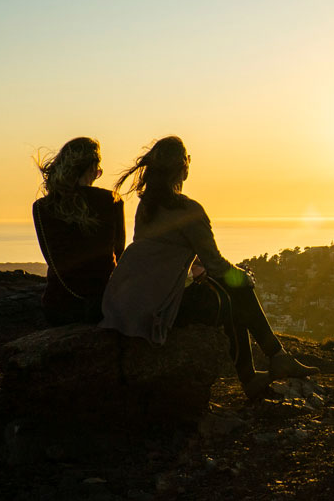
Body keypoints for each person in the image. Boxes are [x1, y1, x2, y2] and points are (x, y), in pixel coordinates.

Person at [100, 136, 318, 400]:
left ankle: (265, 365)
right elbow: (215, 263)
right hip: (157, 308)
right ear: (182, 167)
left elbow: (163, 254)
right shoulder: (188, 210)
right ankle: (269, 361)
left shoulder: (147, 207)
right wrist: (243, 277)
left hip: (128, 300)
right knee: (233, 294)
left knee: (227, 291)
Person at [32, 137, 125, 326]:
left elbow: (51, 258)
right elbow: (119, 252)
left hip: (58, 305)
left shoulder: (42, 207)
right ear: (92, 167)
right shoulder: (111, 200)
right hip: (102, 306)